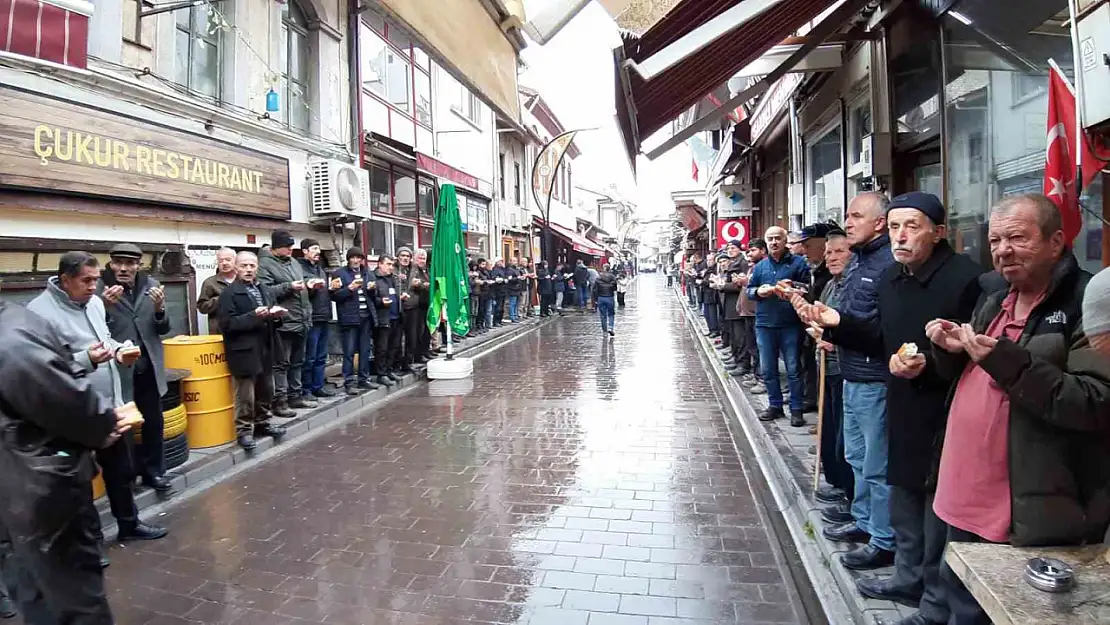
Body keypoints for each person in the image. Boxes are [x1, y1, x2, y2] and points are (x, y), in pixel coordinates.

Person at [927, 193, 1110, 624]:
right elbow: (973, 378)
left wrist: (1004, 359)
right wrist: (951, 351)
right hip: (962, 493)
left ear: (1056, 241)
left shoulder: (1087, 303)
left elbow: (1094, 402)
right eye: (995, 241)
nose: (1003, 250)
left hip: (1025, 511)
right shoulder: (995, 296)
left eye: (1017, 238)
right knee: (958, 602)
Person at [800, 193, 984, 620]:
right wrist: (839, 324)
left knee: (936, 508)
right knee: (901, 492)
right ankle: (907, 574)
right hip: (900, 399)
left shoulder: (966, 280)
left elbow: (974, 353)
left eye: (912, 226)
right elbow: (880, 338)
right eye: (897, 226)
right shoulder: (892, 279)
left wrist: (930, 364)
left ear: (938, 232)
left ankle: (934, 600)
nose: (901, 236)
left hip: (946, 411)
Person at [0, 297, 143, 625]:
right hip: (36, 489)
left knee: (36, 587)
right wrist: (101, 425)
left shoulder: (17, 325)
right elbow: (67, 398)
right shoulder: (14, 336)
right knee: (68, 593)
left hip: (17, 485)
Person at [27, 251, 168, 543]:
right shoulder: (38, 312)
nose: (94, 286)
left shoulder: (93, 303)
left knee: (122, 470)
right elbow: (40, 368)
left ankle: (129, 525)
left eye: (95, 279)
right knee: (79, 480)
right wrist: (86, 358)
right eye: (86, 280)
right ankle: (90, 542)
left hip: (109, 405)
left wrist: (118, 351)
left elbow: (105, 338)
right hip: (72, 411)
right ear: (65, 280)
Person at [817, 192, 898, 567]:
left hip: (875, 378)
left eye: (855, 216)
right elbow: (848, 316)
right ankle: (864, 521)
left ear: (879, 222)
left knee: (877, 464)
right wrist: (827, 329)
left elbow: (882, 329)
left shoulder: (888, 263)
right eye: (847, 215)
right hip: (851, 372)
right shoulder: (860, 261)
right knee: (857, 456)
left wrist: (837, 327)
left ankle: (883, 538)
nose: (847, 222)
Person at [98, 243, 174, 492]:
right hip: (119, 369)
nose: (123, 268)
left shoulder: (151, 285)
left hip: (149, 365)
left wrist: (160, 309)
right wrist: (104, 308)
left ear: (138, 265)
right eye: (118, 263)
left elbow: (163, 329)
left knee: (153, 422)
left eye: (129, 264)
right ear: (110, 264)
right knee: (124, 425)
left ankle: (155, 472)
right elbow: (92, 329)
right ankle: (127, 478)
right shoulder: (99, 287)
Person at [804, 229, 854, 514]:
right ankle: (836, 482)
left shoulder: (854, 285)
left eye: (838, 252)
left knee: (844, 435)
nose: (832, 258)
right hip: (827, 363)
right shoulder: (831, 285)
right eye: (828, 253)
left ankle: (848, 492)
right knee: (832, 426)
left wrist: (836, 341)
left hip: (844, 367)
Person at [218, 251, 288, 450]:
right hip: (243, 350)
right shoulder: (229, 294)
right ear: (236, 268)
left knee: (267, 389)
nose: (248, 270)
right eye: (244, 266)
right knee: (245, 394)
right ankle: (244, 431)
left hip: (266, 345)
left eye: (252, 266)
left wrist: (276, 315)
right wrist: (253, 316)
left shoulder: (264, 289)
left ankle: (263, 423)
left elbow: (272, 312)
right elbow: (227, 324)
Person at [746, 226, 811, 426]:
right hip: (765, 323)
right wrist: (759, 292)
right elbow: (749, 290)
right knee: (768, 369)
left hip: (790, 323)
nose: (774, 242)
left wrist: (793, 288)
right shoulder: (760, 267)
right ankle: (775, 406)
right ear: (766, 242)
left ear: (785, 241)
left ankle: (796, 408)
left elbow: (809, 288)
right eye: (770, 239)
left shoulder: (799, 263)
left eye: (778, 238)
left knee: (793, 368)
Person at [257, 230, 313, 414]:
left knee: (298, 361)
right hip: (284, 322)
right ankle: (280, 402)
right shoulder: (264, 265)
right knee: (281, 364)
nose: (290, 250)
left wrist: (309, 283)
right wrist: (288, 287)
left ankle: (295, 396)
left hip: (302, 319)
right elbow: (265, 292)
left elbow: (302, 281)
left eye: (291, 246)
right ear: (275, 247)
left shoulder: (294, 262)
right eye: (286, 247)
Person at [331, 248, 379, 395]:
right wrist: (350, 288)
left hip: (366, 316)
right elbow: (334, 296)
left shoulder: (368, 273)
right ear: (348, 259)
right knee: (349, 351)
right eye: (353, 258)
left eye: (359, 258)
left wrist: (372, 289)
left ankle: (364, 379)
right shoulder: (339, 274)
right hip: (349, 317)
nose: (356, 261)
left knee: (365, 350)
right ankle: (349, 382)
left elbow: (373, 294)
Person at [797, 224, 834, 412]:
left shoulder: (830, 272)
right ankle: (815, 403)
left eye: (808, 245)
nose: (804, 250)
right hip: (814, 330)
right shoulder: (816, 269)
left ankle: (821, 409)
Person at [297, 239, 337, 399]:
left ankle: (318, 386)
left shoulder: (319, 268)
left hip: (324, 316)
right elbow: (302, 291)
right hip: (311, 318)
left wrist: (332, 288)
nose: (318, 252)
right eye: (314, 248)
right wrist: (311, 287)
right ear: (305, 251)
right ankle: (306, 389)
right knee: (309, 356)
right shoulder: (299, 268)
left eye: (318, 248)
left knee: (321, 356)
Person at [717, 240, 749, 378]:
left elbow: (740, 285)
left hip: (738, 304)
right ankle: (736, 359)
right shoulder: (734, 262)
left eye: (733, 247)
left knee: (740, 336)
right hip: (730, 304)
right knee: (735, 336)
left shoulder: (742, 263)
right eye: (728, 248)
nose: (730, 250)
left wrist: (723, 286)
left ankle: (743, 363)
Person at [371, 254, 403, 387]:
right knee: (382, 348)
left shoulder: (392, 278)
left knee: (393, 346)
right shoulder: (373, 278)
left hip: (396, 316)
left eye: (392, 265)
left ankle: (389, 370)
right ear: (380, 264)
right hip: (383, 317)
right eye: (388, 264)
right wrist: (380, 301)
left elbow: (394, 293)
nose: (391, 267)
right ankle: (381, 373)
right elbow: (371, 298)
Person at [196, 247, 237, 334]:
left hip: (242, 330)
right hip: (220, 332)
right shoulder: (210, 283)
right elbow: (202, 308)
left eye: (228, 260)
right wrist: (220, 299)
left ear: (236, 261)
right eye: (220, 261)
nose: (224, 263)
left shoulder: (242, 280)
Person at [593, 264, 618, 337]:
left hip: (601, 298)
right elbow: (615, 288)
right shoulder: (612, 277)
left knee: (603, 315)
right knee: (611, 314)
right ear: (609, 269)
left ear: (603, 268)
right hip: (610, 297)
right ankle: (611, 327)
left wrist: (595, 299)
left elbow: (594, 289)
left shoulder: (598, 278)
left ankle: (604, 331)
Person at [490, 258, 508, 326]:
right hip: (498, 290)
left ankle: (500, 320)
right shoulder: (495, 270)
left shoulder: (503, 269)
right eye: (500, 261)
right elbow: (495, 279)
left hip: (503, 290)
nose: (502, 262)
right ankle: (496, 321)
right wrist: (503, 280)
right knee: (498, 306)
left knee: (501, 307)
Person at [506, 257, 524, 323]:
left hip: (518, 289)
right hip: (512, 289)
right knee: (512, 303)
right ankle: (512, 317)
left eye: (516, 261)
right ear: (510, 262)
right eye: (514, 261)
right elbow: (509, 279)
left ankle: (516, 316)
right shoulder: (509, 270)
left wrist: (521, 277)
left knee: (517, 303)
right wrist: (517, 278)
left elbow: (519, 276)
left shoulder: (516, 269)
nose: (515, 262)